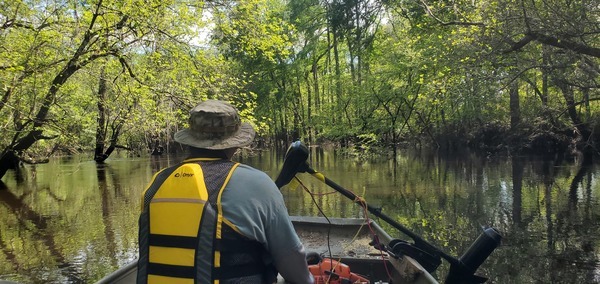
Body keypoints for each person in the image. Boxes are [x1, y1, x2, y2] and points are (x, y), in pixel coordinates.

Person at [136, 99, 314, 284]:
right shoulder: (257, 183)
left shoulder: (156, 184)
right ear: (235, 144)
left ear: (190, 141)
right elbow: (293, 264)